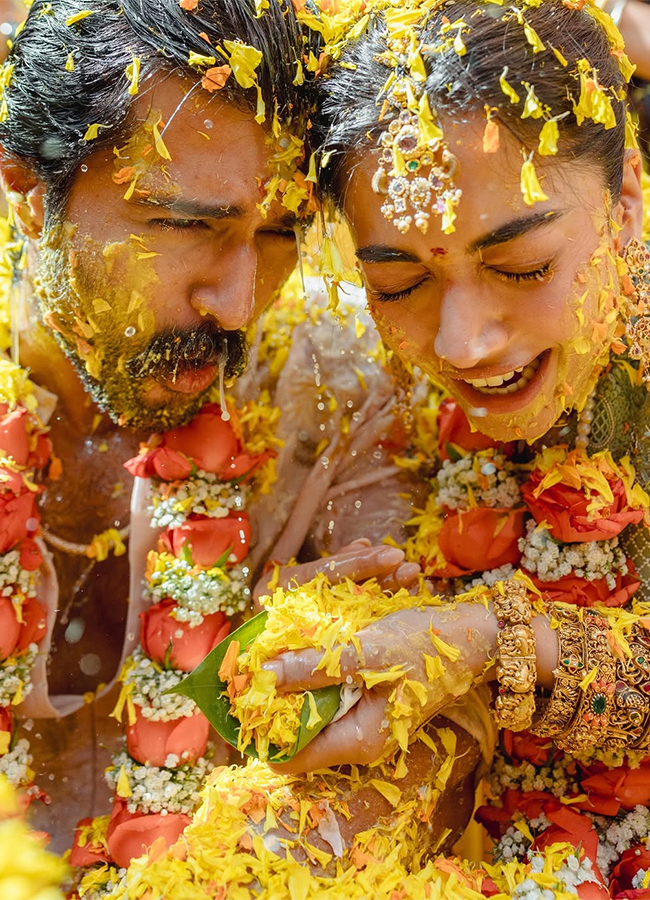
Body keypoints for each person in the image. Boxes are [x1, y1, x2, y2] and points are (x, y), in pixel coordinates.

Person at [98, 0, 650, 897]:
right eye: (398, 283)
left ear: (625, 201)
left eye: (522, 267)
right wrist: (311, 641)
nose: (465, 344)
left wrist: (491, 640)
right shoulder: (384, 390)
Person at [0, 0, 429, 863]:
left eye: (278, 234)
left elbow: (421, 760)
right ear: (30, 195)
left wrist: (300, 673)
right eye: (188, 225)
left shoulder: (340, 387)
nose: (236, 304)